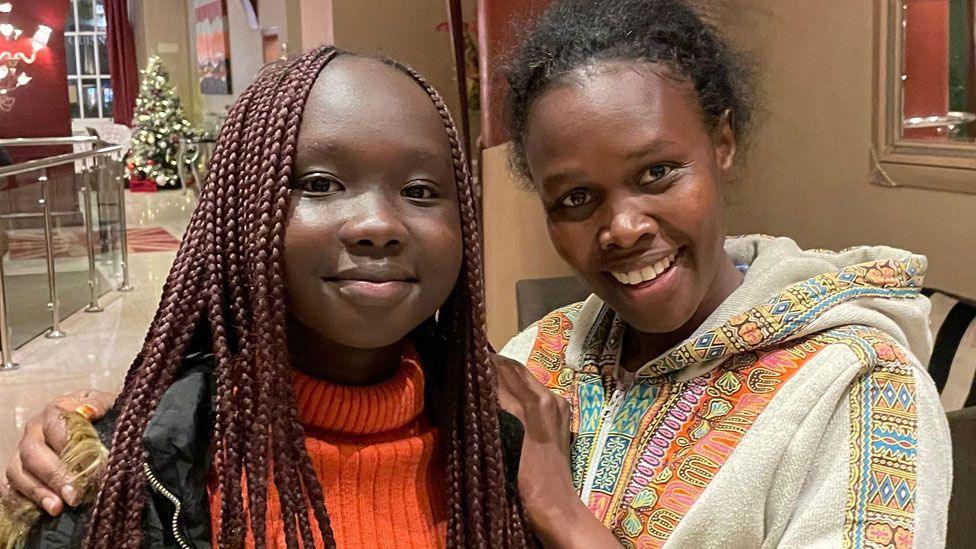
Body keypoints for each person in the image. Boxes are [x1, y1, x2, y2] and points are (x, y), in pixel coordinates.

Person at [0, 46, 530, 548]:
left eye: (419, 191)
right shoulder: (124, 480)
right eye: (321, 184)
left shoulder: (509, 441)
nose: (379, 224)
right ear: (239, 216)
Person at [494, 0, 951, 547]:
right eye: (575, 198)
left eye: (657, 172)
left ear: (722, 145)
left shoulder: (858, 389)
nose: (622, 227)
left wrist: (560, 512)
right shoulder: (536, 360)